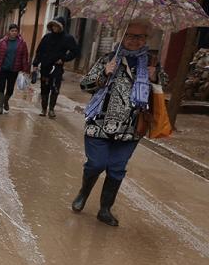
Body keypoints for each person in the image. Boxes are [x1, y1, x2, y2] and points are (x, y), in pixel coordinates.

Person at [72, 20, 168, 227]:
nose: (135, 40)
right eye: (130, 35)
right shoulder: (108, 59)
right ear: (122, 36)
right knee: (96, 164)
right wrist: (103, 74)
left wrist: (155, 77)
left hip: (131, 127)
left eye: (140, 37)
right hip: (99, 123)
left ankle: (105, 209)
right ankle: (83, 192)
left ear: (146, 39)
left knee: (116, 169)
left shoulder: (151, 62)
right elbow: (85, 85)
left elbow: (164, 86)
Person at [32, 16, 80, 118]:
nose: (54, 28)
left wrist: (63, 59)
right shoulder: (47, 37)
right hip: (45, 67)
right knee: (44, 88)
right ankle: (44, 109)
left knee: (55, 88)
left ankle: (51, 109)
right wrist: (35, 64)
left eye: (57, 26)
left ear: (61, 27)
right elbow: (39, 51)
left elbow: (75, 52)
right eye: (53, 25)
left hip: (57, 68)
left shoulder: (67, 38)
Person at [0, 24, 30, 115]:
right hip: (2, 69)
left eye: (16, 31)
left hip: (14, 70)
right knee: (1, 88)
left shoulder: (22, 43)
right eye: (12, 31)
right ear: (9, 31)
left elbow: (24, 57)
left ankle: (5, 101)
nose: (14, 32)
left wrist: (25, 69)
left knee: (10, 89)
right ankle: (0, 108)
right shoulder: (1, 42)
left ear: (18, 32)